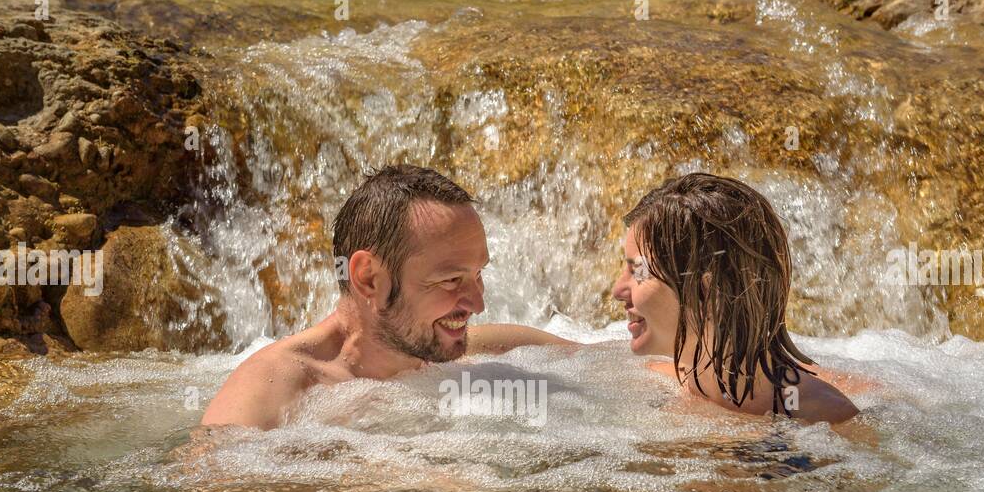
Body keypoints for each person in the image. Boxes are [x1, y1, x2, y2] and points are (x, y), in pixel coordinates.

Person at [201, 165, 568, 430]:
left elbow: (606, 361)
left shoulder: (468, 353)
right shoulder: (273, 388)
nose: (477, 303)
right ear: (368, 278)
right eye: (452, 279)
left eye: (478, 275)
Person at [612, 172, 860, 424]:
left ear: (706, 293)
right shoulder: (650, 380)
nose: (617, 290)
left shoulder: (825, 418)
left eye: (639, 272)